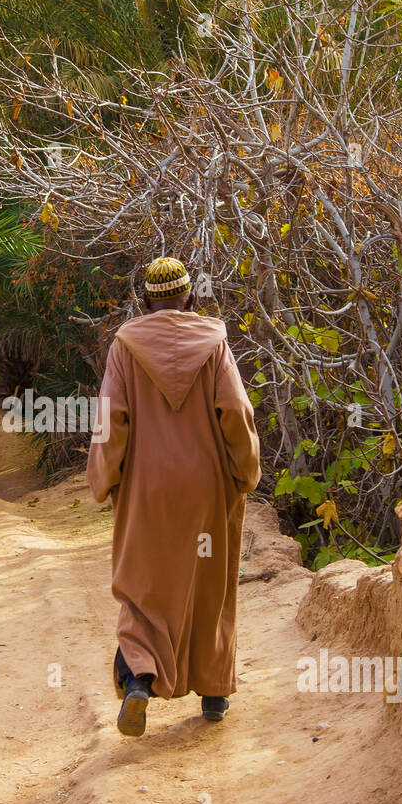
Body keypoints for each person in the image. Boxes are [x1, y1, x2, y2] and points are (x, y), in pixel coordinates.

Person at [86, 256, 261, 737]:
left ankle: (140, 679)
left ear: (147, 299)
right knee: (209, 583)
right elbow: (235, 412)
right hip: (206, 486)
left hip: (147, 485)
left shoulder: (125, 348)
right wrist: (246, 472)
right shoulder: (215, 343)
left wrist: (104, 478)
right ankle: (214, 693)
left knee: (144, 584)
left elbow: (112, 420)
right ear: (189, 296)